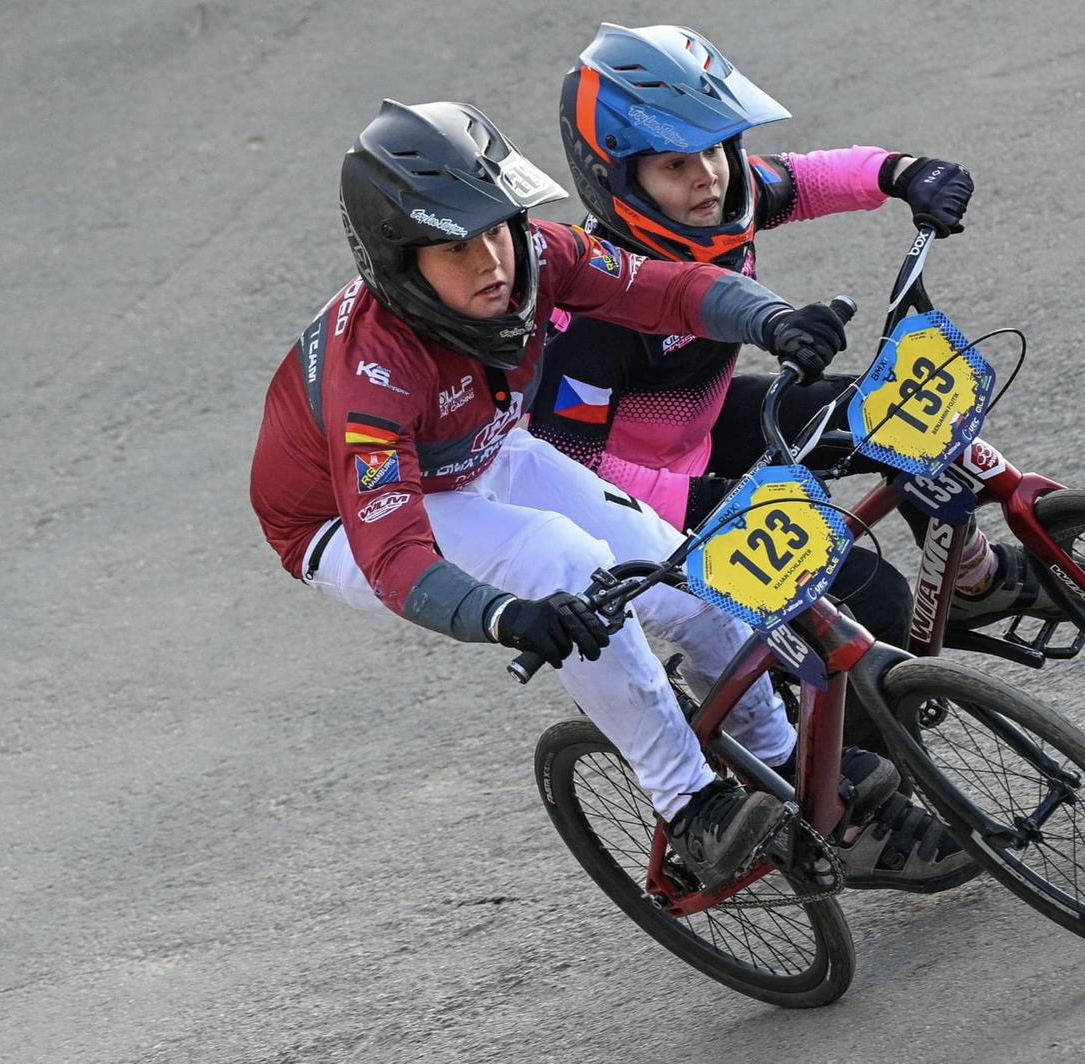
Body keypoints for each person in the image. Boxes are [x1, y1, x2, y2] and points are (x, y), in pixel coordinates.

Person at [249, 99, 975, 894]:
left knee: (694, 579)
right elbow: (394, 557)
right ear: (399, 263)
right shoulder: (372, 379)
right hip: (347, 523)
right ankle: (691, 803)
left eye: (497, 226)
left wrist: (770, 322)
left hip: (484, 448)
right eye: (456, 248)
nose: (493, 260)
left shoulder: (533, 253)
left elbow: (663, 290)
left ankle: (790, 768)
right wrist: (505, 615)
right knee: (563, 566)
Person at [532, 23, 1068, 696]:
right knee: (874, 601)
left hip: (704, 422)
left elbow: (809, 178)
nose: (708, 177)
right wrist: (698, 499)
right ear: (619, 179)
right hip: (641, 496)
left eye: (716, 150)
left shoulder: (726, 198)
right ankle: (866, 777)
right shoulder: (592, 315)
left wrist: (901, 173)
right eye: (675, 165)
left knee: (899, 413)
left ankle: (971, 583)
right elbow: (565, 465)